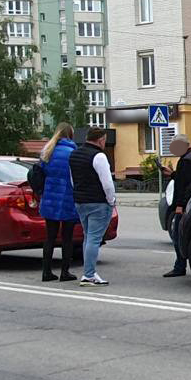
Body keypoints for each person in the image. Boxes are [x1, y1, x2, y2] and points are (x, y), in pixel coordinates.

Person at [69, 127, 117, 287]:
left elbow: (72, 179)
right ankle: (89, 274)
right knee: (94, 238)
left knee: (88, 236)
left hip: (80, 201)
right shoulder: (99, 156)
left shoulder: (74, 154)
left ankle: (89, 272)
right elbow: (107, 183)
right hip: (98, 202)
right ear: (101, 140)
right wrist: (112, 200)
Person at [37, 122, 79, 282]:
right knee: (67, 238)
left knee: (50, 237)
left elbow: (42, 173)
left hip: (49, 198)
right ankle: (64, 272)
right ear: (70, 134)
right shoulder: (72, 151)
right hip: (67, 197)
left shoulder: (47, 151)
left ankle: (46, 272)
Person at [163, 134, 191, 278]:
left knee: (178, 235)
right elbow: (186, 179)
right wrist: (173, 174)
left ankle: (180, 266)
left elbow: (185, 185)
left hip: (185, 203)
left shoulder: (186, 160)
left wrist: (180, 205)